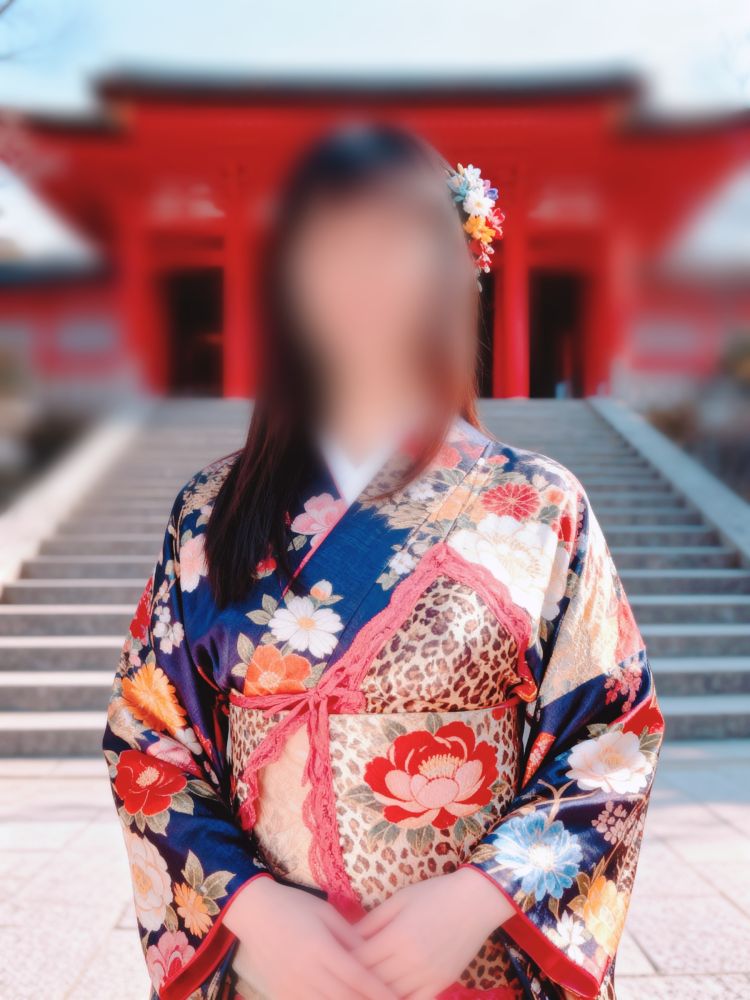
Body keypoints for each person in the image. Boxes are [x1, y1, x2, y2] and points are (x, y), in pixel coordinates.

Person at [103, 124, 663, 1000]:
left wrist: (482, 896)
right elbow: (149, 738)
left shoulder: (540, 502)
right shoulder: (210, 512)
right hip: (277, 972)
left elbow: (612, 730)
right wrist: (252, 912)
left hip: (476, 964)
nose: (366, 279)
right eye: (331, 247)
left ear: (455, 272)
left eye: (400, 244)